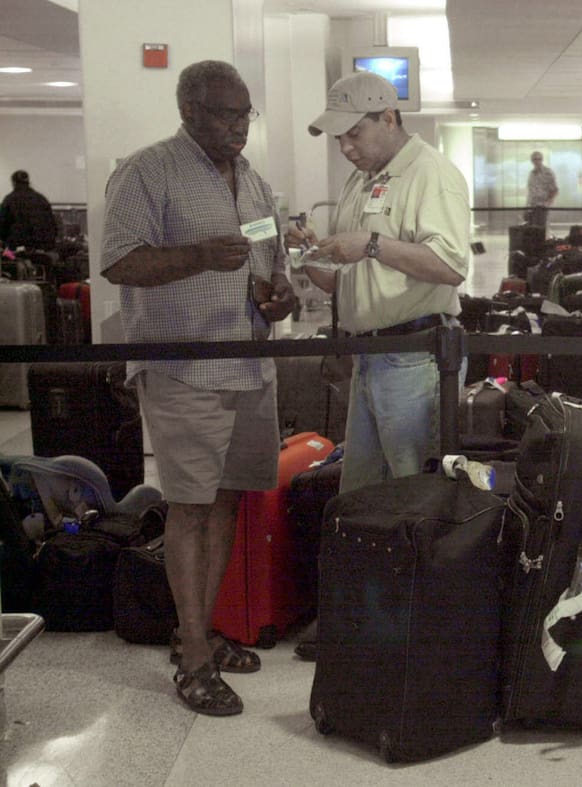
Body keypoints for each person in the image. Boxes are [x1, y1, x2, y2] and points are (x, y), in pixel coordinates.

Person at [101, 60, 297, 717]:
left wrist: (280, 298)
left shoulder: (256, 184)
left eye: (245, 114)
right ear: (188, 110)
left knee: (227, 502)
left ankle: (200, 631)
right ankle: (191, 657)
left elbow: (276, 270)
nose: (239, 126)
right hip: (185, 370)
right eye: (224, 114)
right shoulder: (148, 170)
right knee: (190, 504)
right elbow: (120, 259)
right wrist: (198, 256)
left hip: (249, 368)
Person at [285, 70, 470, 660]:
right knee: (360, 494)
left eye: (354, 133)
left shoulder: (430, 174)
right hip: (370, 358)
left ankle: (422, 625)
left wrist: (367, 244)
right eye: (338, 138)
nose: (345, 147)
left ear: (388, 118)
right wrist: (308, 256)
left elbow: (449, 264)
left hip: (415, 358)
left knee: (417, 494)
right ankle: (357, 618)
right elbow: (348, 280)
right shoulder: (363, 182)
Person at [0, 169, 58, 251]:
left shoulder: (9, 200)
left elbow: (2, 226)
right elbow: (53, 226)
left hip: (17, 250)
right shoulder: (41, 199)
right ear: (28, 182)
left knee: (5, 254)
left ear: (13, 183)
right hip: (43, 250)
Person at [525, 150, 558, 229]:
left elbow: (554, 189)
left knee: (540, 229)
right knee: (532, 229)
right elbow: (530, 191)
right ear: (532, 161)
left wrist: (547, 203)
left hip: (542, 206)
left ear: (542, 160)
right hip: (531, 206)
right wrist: (526, 207)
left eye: (539, 159)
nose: (537, 161)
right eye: (534, 159)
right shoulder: (531, 174)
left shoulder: (548, 172)